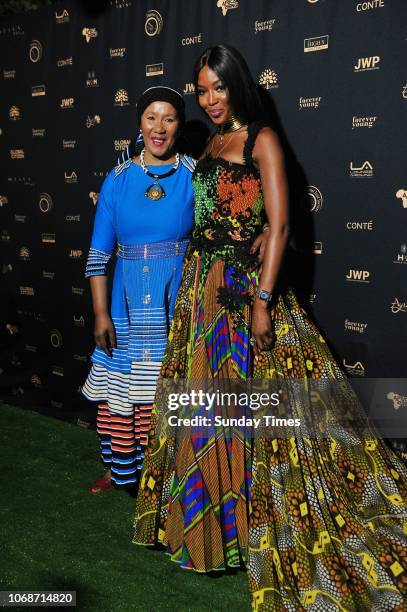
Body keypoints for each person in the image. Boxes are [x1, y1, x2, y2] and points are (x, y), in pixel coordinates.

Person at [134, 46, 407, 610]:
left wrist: (262, 302)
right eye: (202, 91)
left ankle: (241, 528)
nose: (209, 100)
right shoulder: (206, 143)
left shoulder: (262, 139)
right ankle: (208, 535)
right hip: (200, 290)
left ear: (237, 85)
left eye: (219, 88)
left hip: (242, 293)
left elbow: (279, 227)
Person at [82, 86, 196, 492]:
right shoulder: (117, 180)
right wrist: (100, 314)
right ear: (139, 122)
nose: (159, 128)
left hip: (175, 306)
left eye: (168, 118)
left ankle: (167, 475)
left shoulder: (194, 176)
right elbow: (98, 256)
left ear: (179, 125)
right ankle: (118, 469)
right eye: (151, 118)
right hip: (124, 306)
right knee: (122, 396)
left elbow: (223, 231)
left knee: (166, 395)